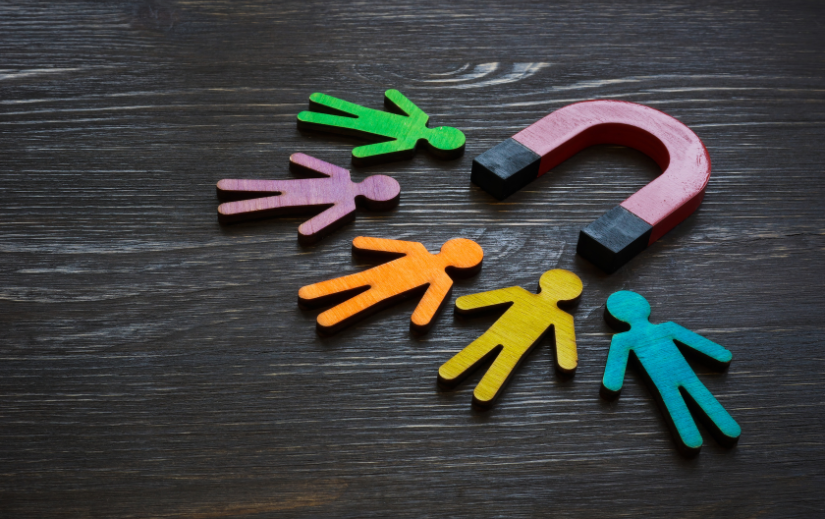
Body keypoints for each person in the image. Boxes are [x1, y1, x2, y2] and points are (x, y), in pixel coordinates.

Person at [602, 290, 741, 456]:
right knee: (700, 397)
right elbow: (706, 347)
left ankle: (692, 440)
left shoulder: (622, 339)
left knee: (675, 405)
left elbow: (612, 380)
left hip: (665, 382)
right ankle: (724, 430)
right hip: (682, 377)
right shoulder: (666, 328)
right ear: (646, 308)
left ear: (616, 316)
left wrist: (613, 385)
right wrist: (721, 354)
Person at [438, 269, 583, 409]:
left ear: (544, 282)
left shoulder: (520, 293)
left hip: (498, 337)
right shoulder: (562, 317)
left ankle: (452, 373)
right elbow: (567, 354)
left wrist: (465, 302)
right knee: (501, 366)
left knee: (476, 353)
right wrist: (566, 362)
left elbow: (471, 301)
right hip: (514, 346)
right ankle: (483, 392)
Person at [299, 237, 483, 335]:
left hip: (378, 282)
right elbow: (423, 315)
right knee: (363, 299)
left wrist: (361, 242)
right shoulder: (443, 279)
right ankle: (327, 316)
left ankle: (313, 297)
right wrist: (419, 319)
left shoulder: (418, 249)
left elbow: (368, 243)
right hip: (383, 291)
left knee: (350, 284)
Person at [217, 153, 400, 243]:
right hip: (296, 194)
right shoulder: (348, 203)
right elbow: (313, 227)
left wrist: (298, 159)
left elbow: (302, 159)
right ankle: (229, 201)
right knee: (269, 201)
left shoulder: (344, 180)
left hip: (295, 192)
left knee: (266, 191)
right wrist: (306, 229)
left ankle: (228, 192)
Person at [297, 90, 465, 164]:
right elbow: (393, 95)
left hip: (367, 120)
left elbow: (394, 95)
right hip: (367, 121)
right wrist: (360, 153)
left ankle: (316, 105)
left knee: (346, 112)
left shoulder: (418, 122)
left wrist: (360, 153)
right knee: (344, 118)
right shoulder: (409, 141)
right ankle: (313, 110)